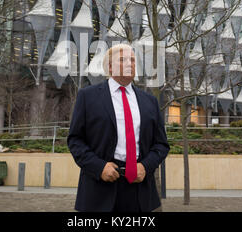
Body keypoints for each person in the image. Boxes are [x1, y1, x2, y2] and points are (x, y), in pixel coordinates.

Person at [67, 43, 170, 212]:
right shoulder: (88, 97)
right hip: (99, 188)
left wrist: (145, 166)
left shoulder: (149, 101)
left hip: (139, 190)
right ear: (109, 66)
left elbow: (161, 144)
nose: (130, 64)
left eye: (133, 60)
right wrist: (99, 167)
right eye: (123, 60)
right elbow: (75, 140)